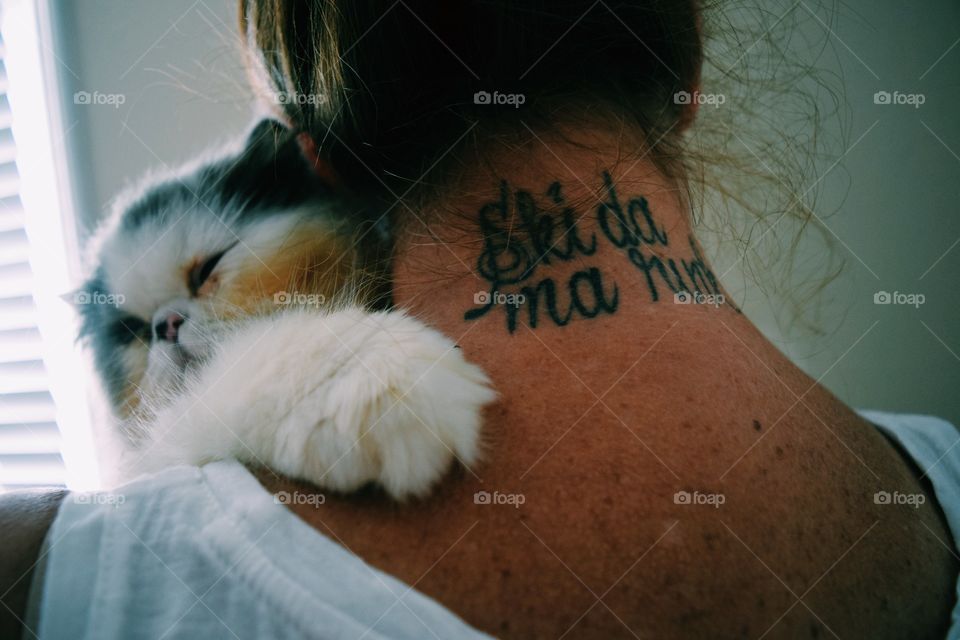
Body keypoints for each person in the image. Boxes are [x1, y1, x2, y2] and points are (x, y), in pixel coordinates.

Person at [3, 1, 957, 638]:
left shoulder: (53, 582)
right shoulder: (941, 469)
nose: (167, 330)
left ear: (318, 155)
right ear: (687, 80)